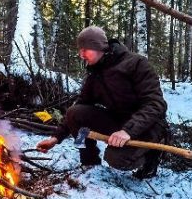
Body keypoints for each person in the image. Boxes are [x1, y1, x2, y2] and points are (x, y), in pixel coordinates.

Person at [36, 26, 169, 179]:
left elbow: (156, 104)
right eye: (80, 50)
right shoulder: (95, 72)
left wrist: (128, 131)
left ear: (97, 47)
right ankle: (89, 161)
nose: (81, 55)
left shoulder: (136, 63)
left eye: (85, 49)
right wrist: (56, 138)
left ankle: (150, 157)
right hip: (119, 122)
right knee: (75, 113)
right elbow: (81, 105)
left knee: (116, 159)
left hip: (148, 126)